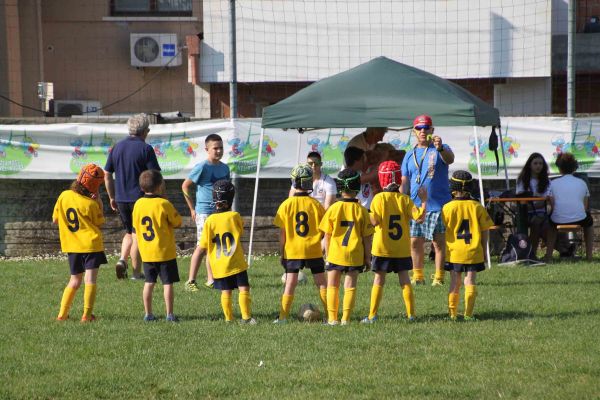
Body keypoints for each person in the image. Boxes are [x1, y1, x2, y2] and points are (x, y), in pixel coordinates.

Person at [361, 161, 426, 324]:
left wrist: (368, 213)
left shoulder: (378, 199)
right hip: (401, 250)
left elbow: (375, 222)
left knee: (378, 280)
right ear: (399, 179)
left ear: (381, 180)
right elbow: (419, 218)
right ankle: (411, 315)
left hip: (382, 248)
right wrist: (424, 201)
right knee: (404, 280)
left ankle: (372, 316)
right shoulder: (405, 200)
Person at [104, 113, 161, 280]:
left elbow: (107, 174)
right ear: (145, 131)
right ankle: (136, 273)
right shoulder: (145, 149)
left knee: (129, 232)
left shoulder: (117, 147)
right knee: (138, 235)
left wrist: (111, 196)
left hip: (121, 198)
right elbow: (155, 175)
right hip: (140, 199)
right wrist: (161, 196)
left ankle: (122, 259)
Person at [401, 115, 455, 287]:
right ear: (414, 131)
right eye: (419, 128)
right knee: (415, 242)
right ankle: (418, 277)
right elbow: (404, 181)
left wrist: (440, 149)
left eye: (426, 128)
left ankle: (438, 277)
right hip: (416, 205)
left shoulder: (439, 148)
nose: (423, 131)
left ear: (432, 130)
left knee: (438, 243)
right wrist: (401, 200)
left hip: (438, 204)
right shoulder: (409, 155)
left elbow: (450, 159)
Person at [319, 168, 374, 326]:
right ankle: (346, 319)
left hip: (335, 254)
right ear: (357, 187)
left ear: (340, 187)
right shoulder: (362, 211)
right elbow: (366, 238)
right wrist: (368, 258)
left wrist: (328, 256)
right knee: (350, 286)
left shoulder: (333, 209)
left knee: (332, 285)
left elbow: (327, 235)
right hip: (354, 255)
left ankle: (332, 319)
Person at [54, 164, 107, 322]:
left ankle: (62, 314)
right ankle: (87, 315)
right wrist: (99, 203)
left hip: (72, 246)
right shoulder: (91, 204)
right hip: (91, 245)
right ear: (95, 186)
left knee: (74, 280)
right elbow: (99, 222)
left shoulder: (64, 195)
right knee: (90, 280)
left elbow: (56, 219)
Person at [275, 164, 327, 323]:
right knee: (321, 283)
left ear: (294, 181)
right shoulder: (316, 205)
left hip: (293, 250)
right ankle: (330, 317)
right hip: (313, 249)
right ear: (309, 182)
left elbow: (282, 234)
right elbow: (324, 229)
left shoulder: (286, 205)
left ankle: (283, 317)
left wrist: (282, 252)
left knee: (290, 283)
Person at [198, 180, 256, 324]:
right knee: (244, 288)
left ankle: (228, 319)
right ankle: (246, 317)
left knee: (226, 291)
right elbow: (240, 230)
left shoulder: (209, 220)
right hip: (236, 263)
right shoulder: (235, 216)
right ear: (231, 198)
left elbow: (204, 243)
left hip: (219, 265)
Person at [442, 170, 494, 321]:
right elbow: (485, 231)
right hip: (473, 251)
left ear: (452, 187)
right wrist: (484, 249)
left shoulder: (447, 208)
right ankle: (468, 315)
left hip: (454, 252)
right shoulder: (477, 207)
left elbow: (442, 231)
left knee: (454, 282)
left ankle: (452, 314)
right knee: (470, 281)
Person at [182, 134, 231, 291]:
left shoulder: (225, 168)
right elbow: (185, 186)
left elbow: (227, 191)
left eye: (221, 148)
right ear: (207, 149)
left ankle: (211, 279)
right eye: (215, 148)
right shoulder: (202, 167)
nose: (218, 151)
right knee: (202, 246)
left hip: (220, 213)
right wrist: (192, 208)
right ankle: (190, 281)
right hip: (204, 212)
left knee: (215, 246)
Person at [132, 170, 182, 322]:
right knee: (167, 283)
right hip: (164, 252)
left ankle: (148, 314)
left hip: (147, 253)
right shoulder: (164, 204)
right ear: (160, 186)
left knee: (149, 283)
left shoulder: (138, 203)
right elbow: (177, 222)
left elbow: (135, 226)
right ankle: (170, 314)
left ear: (142, 187)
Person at [544, 153, 594, 262]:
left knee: (551, 224)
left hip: (557, 219)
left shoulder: (553, 183)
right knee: (589, 224)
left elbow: (552, 206)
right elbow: (585, 207)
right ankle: (589, 256)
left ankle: (548, 255)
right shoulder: (582, 183)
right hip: (580, 219)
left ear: (559, 168)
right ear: (574, 168)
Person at [516, 152, 551, 256]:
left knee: (545, 225)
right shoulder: (522, 180)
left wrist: (539, 202)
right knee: (537, 223)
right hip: (526, 213)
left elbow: (548, 200)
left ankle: (532, 253)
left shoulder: (548, 181)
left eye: (540, 163)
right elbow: (520, 200)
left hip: (544, 213)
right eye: (535, 163)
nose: (538, 166)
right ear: (529, 165)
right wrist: (539, 202)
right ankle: (533, 253)